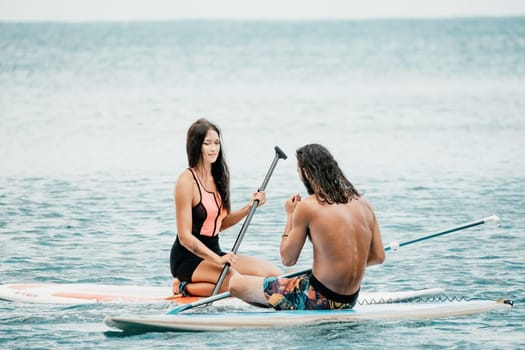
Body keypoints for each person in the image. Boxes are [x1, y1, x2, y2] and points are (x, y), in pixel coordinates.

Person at [229, 143, 385, 310]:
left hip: (317, 299)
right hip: (349, 299)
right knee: (295, 276)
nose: (299, 175)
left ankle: (282, 306)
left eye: (298, 171)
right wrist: (338, 265)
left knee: (236, 283)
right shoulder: (364, 203)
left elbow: (288, 259)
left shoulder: (308, 206)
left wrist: (290, 214)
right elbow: (378, 256)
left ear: (307, 172)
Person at [170, 118, 281, 297]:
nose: (213, 148)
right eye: (207, 144)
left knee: (274, 275)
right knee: (236, 283)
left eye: (216, 143)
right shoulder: (186, 181)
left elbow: (218, 224)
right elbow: (184, 237)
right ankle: (183, 286)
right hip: (188, 258)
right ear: (196, 146)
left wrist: (249, 207)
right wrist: (217, 259)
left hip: (214, 252)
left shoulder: (218, 177)